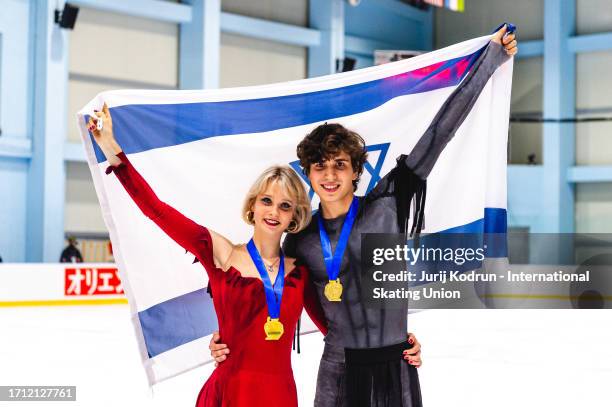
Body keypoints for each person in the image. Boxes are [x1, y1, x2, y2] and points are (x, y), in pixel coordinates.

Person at [211, 25, 518, 406]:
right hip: (339, 368)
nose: (329, 175)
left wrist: (490, 57)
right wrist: (226, 338)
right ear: (308, 173)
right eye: (320, 166)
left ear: (356, 170)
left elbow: (441, 130)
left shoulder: (388, 201)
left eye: (340, 165)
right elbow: (271, 295)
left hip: (396, 363)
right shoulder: (301, 239)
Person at [87, 104, 328, 407]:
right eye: (267, 200)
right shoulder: (221, 253)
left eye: (285, 205)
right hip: (228, 393)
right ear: (252, 206)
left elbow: (332, 330)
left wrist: (395, 346)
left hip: (278, 396)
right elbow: (157, 210)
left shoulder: (300, 271)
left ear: (295, 216)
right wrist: (112, 149)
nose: (274, 211)